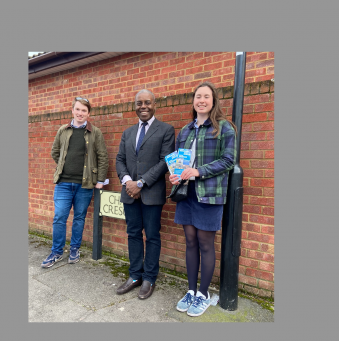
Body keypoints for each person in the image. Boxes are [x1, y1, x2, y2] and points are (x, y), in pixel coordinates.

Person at [169, 82, 237, 317]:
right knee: (190, 242)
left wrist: (199, 171)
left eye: (206, 97)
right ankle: (190, 290)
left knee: (205, 243)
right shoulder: (186, 130)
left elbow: (229, 161)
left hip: (210, 195)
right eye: (198, 96)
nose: (202, 100)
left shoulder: (224, 128)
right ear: (193, 101)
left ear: (213, 100)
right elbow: (180, 161)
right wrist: (175, 174)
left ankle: (203, 294)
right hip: (186, 194)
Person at [115, 89, 175, 299]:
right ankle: (134, 276)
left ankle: (149, 277)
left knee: (152, 236)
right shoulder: (128, 132)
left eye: (147, 102)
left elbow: (165, 161)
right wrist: (128, 182)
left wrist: (141, 183)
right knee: (132, 234)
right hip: (129, 193)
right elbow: (120, 160)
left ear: (154, 104)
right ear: (135, 105)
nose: (143, 106)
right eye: (139, 103)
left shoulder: (166, 130)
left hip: (151, 194)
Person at [41, 97, 109, 268]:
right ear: (72, 110)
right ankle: (56, 252)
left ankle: (74, 249)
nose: (80, 113)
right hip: (63, 183)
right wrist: (64, 165)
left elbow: (103, 157)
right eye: (77, 109)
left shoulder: (96, 132)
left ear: (88, 113)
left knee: (79, 218)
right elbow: (55, 152)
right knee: (59, 218)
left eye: (84, 111)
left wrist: (100, 180)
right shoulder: (63, 130)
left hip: (85, 185)